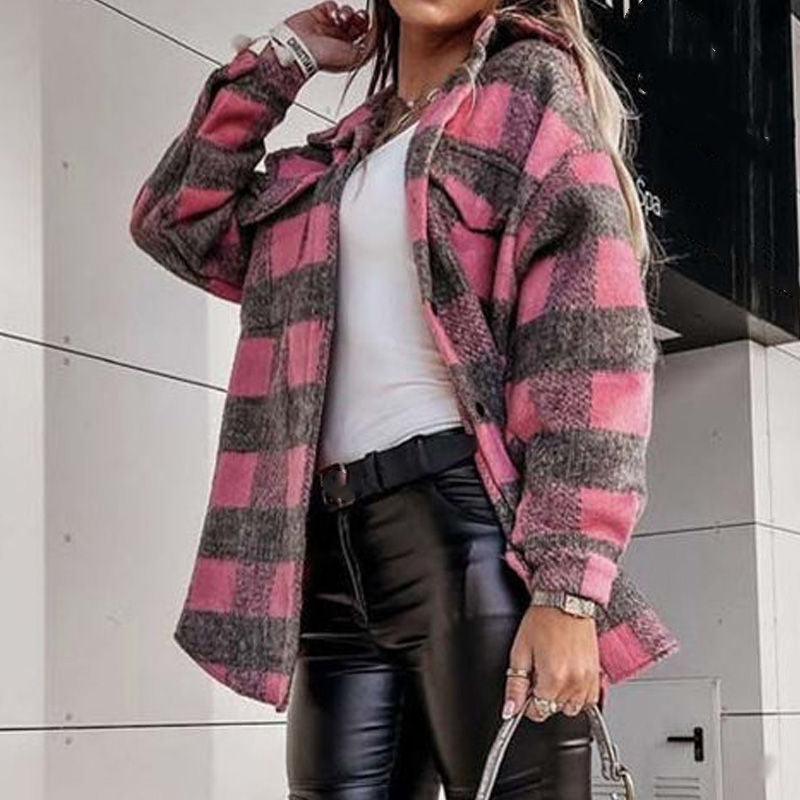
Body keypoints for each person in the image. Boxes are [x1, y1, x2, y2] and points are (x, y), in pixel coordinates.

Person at [129, 1, 680, 797]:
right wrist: (285, 58)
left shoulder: (526, 88)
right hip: (329, 547)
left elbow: (590, 345)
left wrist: (568, 590)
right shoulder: (344, 153)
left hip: (466, 539)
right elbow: (175, 220)